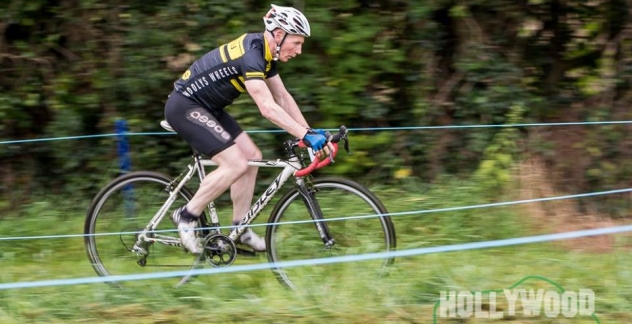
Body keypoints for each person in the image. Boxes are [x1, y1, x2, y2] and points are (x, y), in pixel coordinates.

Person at [164, 4, 331, 254]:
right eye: (296, 43)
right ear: (278, 35)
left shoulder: (266, 54)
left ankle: (239, 229)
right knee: (235, 164)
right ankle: (186, 215)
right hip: (185, 106)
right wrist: (304, 135)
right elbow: (267, 107)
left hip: (210, 109)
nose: (299, 50)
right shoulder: (252, 55)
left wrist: (310, 132)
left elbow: (282, 97)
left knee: (252, 157)